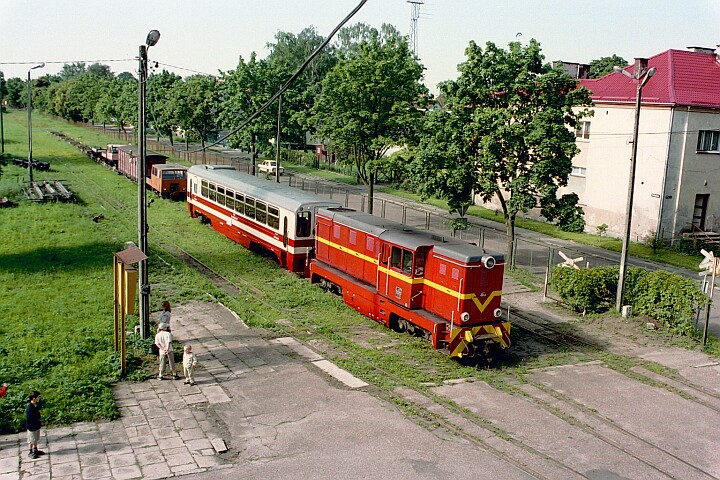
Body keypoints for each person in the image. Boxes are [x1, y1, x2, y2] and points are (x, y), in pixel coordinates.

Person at [25, 391, 43, 459]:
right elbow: (29, 418)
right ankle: (30, 451)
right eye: (38, 397)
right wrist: (31, 426)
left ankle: (35, 449)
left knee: (35, 438)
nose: (39, 398)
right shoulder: (30, 408)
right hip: (32, 427)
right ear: (33, 398)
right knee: (31, 440)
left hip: (36, 426)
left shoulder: (35, 405)